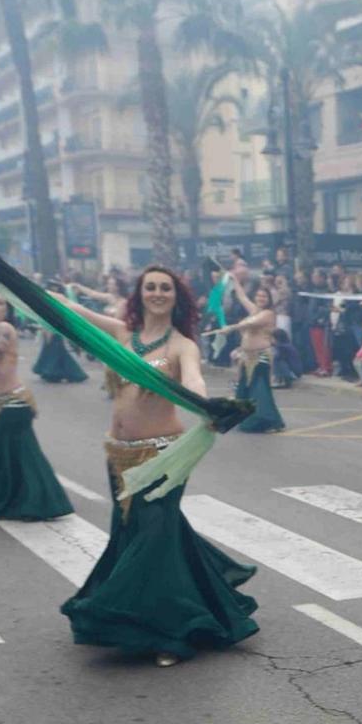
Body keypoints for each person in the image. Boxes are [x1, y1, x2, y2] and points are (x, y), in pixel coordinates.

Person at [57, 265, 258, 666]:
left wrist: (206, 405)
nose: (157, 293)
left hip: (163, 454)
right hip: (118, 453)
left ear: (176, 296)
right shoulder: (121, 334)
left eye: (165, 288)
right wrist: (15, 285)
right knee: (136, 534)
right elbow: (72, 311)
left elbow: (194, 381)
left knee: (154, 538)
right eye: (150, 287)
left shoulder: (182, 345)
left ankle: (171, 632)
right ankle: (193, 601)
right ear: (140, 293)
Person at [0, 290, 74, 522]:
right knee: (7, 454)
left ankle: (37, 502)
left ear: (8, 309)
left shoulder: (4, 329)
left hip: (12, 403)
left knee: (12, 454)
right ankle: (24, 499)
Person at [207, 280, 287, 434]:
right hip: (246, 356)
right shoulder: (255, 310)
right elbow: (242, 297)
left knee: (259, 389)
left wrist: (231, 328)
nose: (260, 298)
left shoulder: (268, 314)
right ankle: (248, 418)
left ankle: (265, 420)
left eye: (264, 296)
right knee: (245, 388)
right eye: (258, 295)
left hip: (261, 356)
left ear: (269, 299)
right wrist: (235, 281)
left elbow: (250, 324)